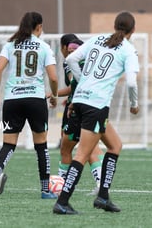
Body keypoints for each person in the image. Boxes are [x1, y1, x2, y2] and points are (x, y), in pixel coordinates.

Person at [53, 11, 140, 214]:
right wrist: (134, 104)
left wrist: (83, 82)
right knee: (83, 153)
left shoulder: (98, 39)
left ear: (115, 25)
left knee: (115, 145)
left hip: (80, 100)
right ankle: (62, 202)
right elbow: (131, 81)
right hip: (96, 105)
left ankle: (103, 196)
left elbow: (71, 59)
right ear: (133, 30)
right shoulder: (128, 49)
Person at [0, 11, 59, 199]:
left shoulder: (10, 45)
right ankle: (45, 190)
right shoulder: (44, 47)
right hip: (35, 100)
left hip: (13, 100)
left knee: (8, 144)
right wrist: (55, 96)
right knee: (41, 146)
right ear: (39, 27)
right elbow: (53, 77)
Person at [53, 36, 104, 195]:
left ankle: (63, 185)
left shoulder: (71, 59)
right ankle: (100, 184)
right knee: (92, 146)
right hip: (96, 104)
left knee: (67, 148)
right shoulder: (89, 57)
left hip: (78, 106)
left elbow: (74, 82)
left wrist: (52, 94)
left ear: (64, 47)